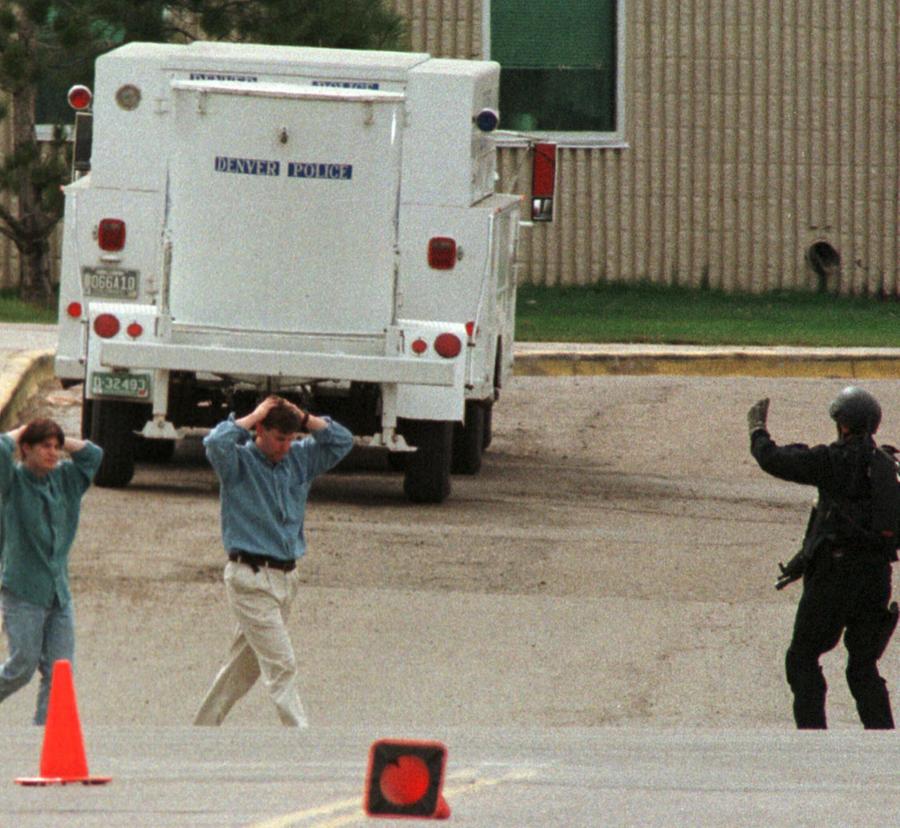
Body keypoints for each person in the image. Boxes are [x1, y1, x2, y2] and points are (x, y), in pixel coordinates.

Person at [195, 395, 353, 726]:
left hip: (285, 577)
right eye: (279, 438)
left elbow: (342, 441)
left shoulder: (300, 459)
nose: (285, 446)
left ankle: (201, 731)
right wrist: (254, 415)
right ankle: (301, 740)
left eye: (292, 439)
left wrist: (305, 417)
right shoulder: (237, 463)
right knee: (282, 665)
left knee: (243, 666)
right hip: (249, 576)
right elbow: (214, 443)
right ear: (261, 431)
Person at [748, 387, 898, 729]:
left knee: (801, 658)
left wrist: (757, 430)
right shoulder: (888, 467)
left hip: (835, 576)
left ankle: (812, 739)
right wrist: (802, 560)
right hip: (876, 579)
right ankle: (885, 743)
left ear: (843, 425)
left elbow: (773, 459)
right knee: (862, 667)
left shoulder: (832, 461)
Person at [0, 417, 103, 725]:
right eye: (45, 446)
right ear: (26, 449)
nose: (54, 453)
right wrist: (22, 430)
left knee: (60, 673)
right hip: (23, 592)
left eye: (57, 447)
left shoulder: (66, 479)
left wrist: (59, 435)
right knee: (22, 667)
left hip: (59, 594)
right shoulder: (12, 482)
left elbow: (93, 455)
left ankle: (45, 738)